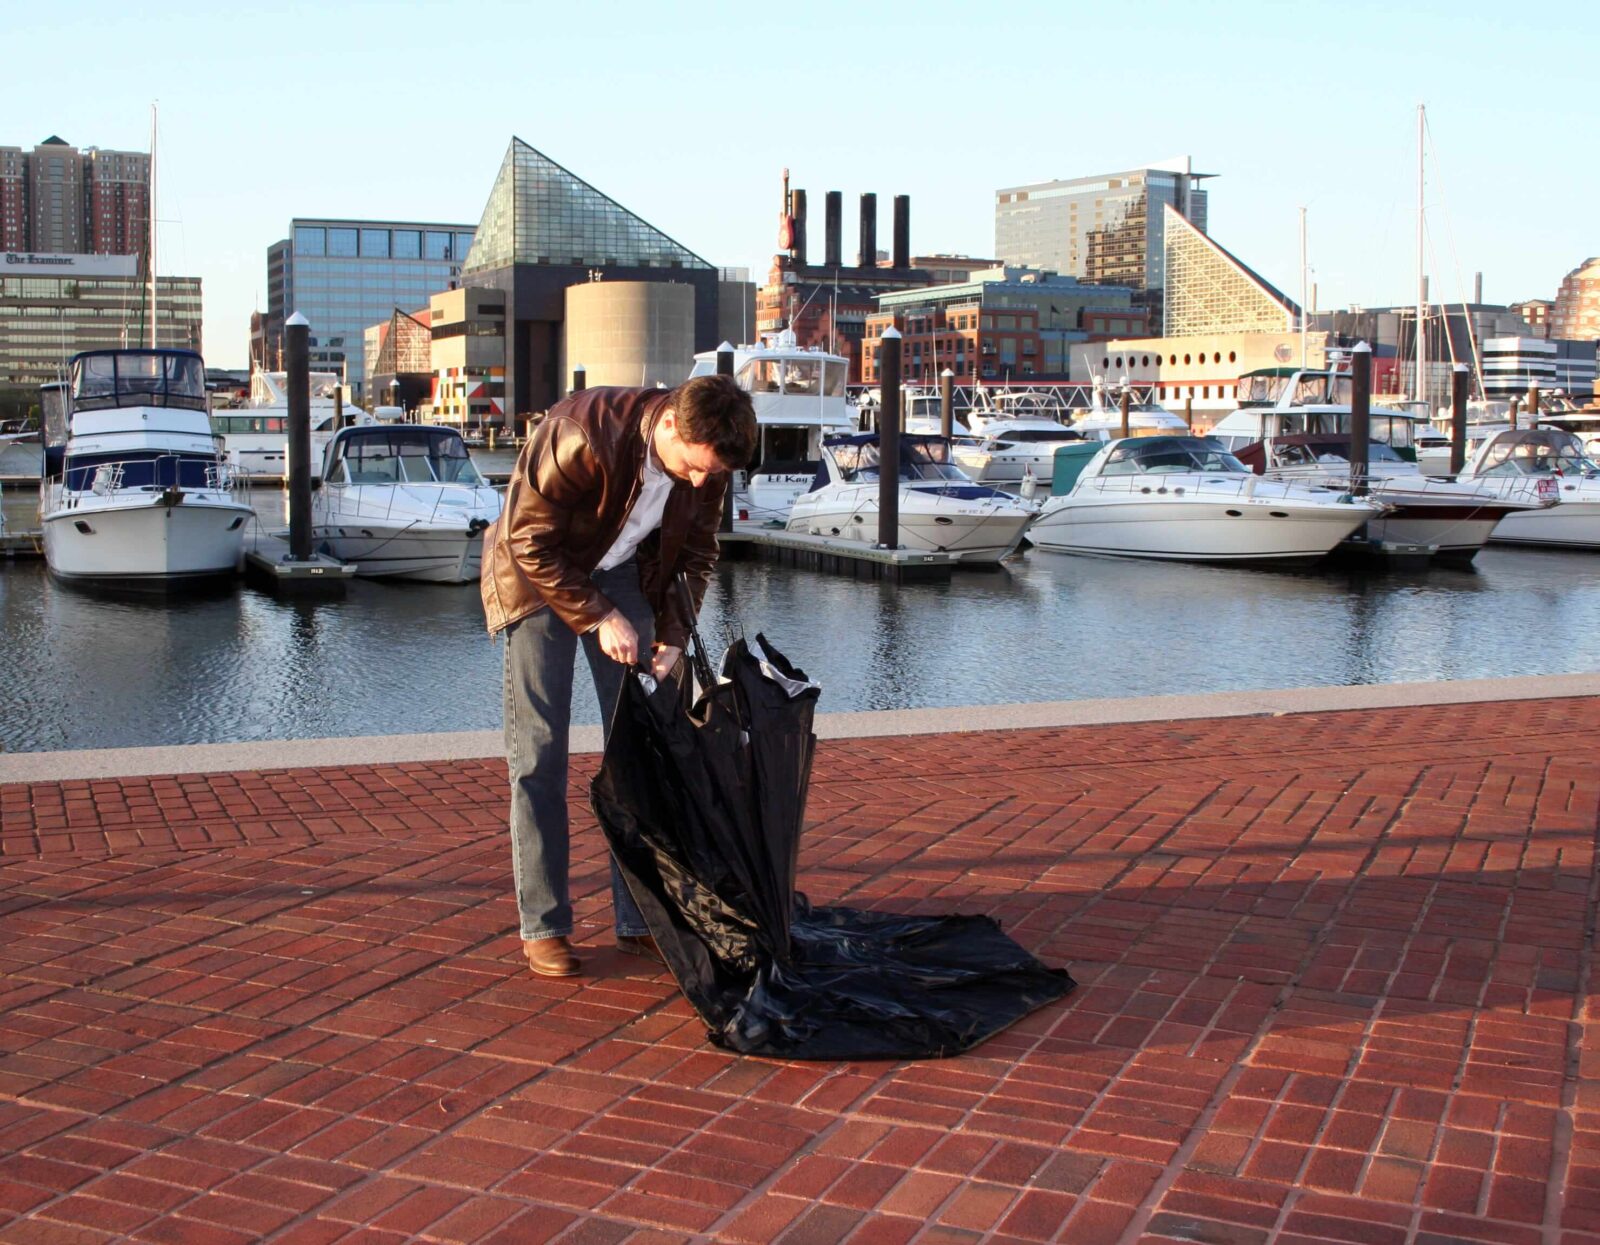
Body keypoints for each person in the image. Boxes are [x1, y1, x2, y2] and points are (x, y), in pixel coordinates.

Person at [481, 375, 757, 978]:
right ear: (669, 428)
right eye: (693, 469)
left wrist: (674, 638)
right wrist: (598, 615)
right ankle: (545, 926)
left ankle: (640, 919)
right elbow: (527, 537)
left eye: (713, 475)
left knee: (641, 749)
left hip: (621, 571)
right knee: (539, 755)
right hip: (535, 579)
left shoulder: (709, 458)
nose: (701, 483)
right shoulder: (581, 433)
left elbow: (697, 556)